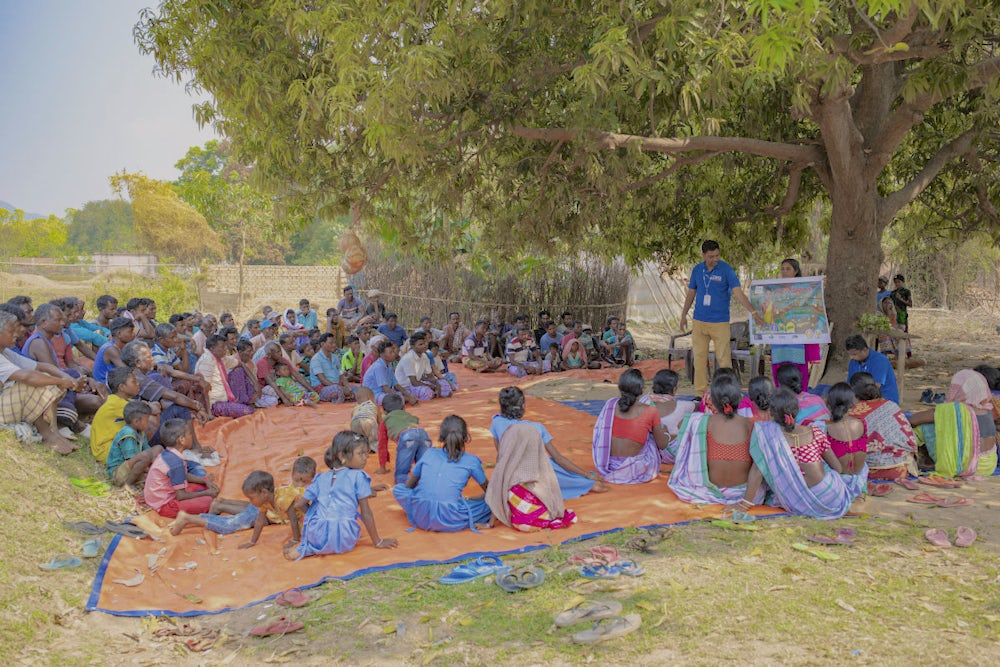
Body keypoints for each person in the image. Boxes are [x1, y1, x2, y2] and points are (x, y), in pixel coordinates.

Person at [736, 387, 853, 519]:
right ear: (797, 411)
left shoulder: (767, 435)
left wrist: (745, 503)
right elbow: (837, 468)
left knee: (770, 494)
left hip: (796, 502)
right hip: (830, 498)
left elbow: (757, 472)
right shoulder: (816, 432)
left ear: (772, 414)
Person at [285, 431, 397, 559]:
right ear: (342, 456)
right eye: (360, 453)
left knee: (319, 506)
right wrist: (378, 541)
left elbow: (299, 504)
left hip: (316, 533)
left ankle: (310, 548)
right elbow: (366, 513)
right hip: (343, 537)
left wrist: (317, 515)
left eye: (366, 453)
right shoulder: (359, 476)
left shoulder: (321, 477)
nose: (365, 457)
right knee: (345, 526)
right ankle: (317, 547)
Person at [491, 386, 606, 499]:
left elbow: (501, 456)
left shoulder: (496, 422)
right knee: (592, 484)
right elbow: (558, 458)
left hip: (512, 472)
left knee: (576, 477)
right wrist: (587, 475)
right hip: (539, 472)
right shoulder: (536, 428)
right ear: (523, 406)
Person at [669, 374, 763, 505]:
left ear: (712, 400)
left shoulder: (699, 421)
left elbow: (680, 426)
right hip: (744, 493)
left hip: (708, 492)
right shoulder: (754, 425)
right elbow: (759, 468)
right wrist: (746, 502)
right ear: (740, 398)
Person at [679, 240, 759, 394]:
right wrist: (683, 315)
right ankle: (700, 393)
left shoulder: (726, 270)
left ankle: (726, 392)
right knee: (700, 359)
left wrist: (753, 312)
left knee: (723, 359)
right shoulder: (697, 270)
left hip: (720, 322)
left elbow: (738, 292)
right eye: (711, 256)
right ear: (703, 255)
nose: (715, 259)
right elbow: (691, 293)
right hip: (699, 321)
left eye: (717, 255)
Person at [0, 310, 81, 454]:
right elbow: (26, 377)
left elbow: (40, 366)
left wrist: (64, 378)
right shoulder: (36, 342)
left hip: (7, 405)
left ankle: (53, 432)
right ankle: (48, 435)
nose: (17, 335)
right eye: (12, 331)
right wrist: (61, 382)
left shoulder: (6, 352)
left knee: (46, 379)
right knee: (30, 384)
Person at [393, 415, 492, 532]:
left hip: (421, 514)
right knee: (494, 500)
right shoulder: (472, 461)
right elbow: (490, 492)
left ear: (441, 436)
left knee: (398, 489)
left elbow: (409, 486)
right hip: (450, 518)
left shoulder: (429, 453)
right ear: (465, 437)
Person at [486, 423, 577, 531]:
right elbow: (553, 496)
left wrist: (490, 524)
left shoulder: (506, 469)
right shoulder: (542, 468)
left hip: (520, 524)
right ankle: (543, 521)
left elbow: (496, 497)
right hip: (543, 519)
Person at [909, 369, 997, 477]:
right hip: (987, 467)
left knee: (924, 427)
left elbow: (913, 420)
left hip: (963, 466)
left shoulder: (954, 410)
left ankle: (912, 459)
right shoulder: (988, 409)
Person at [168, 471, 283, 550]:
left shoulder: (273, 498)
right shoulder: (274, 499)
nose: (251, 500)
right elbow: (259, 521)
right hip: (261, 513)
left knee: (250, 506)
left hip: (263, 511)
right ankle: (188, 518)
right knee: (227, 525)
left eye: (251, 497)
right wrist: (252, 541)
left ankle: (217, 505)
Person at [592, 368, 670, 484]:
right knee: (652, 439)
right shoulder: (651, 410)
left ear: (620, 388)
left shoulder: (610, 404)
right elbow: (662, 445)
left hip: (610, 464)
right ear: (642, 390)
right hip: (637, 469)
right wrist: (664, 432)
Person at [143, 418, 219, 519]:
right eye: (190, 435)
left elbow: (183, 475)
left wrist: (204, 481)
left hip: (161, 497)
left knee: (202, 486)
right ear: (181, 440)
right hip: (164, 506)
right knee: (208, 501)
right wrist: (206, 493)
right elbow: (181, 496)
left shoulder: (169, 453)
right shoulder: (176, 463)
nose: (192, 437)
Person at [848, 372, 917, 481]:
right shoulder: (891, 404)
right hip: (906, 464)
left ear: (852, 391)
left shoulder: (853, 412)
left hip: (878, 468)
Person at [769, 258, 822, 391]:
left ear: (796, 271)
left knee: (798, 367)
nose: (784, 272)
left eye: (788, 269)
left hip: (798, 338)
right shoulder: (775, 290)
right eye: (782, 269)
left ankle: (800, 395)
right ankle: (781, 394)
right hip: (779, 337)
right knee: (779, 366)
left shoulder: (805, 290)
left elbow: (811, 311)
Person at [90, 367, 142, 465]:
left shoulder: (126, 401)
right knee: (145, 421)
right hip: (105, 451)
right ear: (121, 387)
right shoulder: (115, 404)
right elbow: (145, 412)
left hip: (113, 445)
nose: (138, 384)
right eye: (134, 381)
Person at [195, 334, 255, 418]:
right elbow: (203, 388)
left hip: (225, 396)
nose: (225, 349)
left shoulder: (221, 358)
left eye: (225, 346)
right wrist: (208, 412)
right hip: (215, 403)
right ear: (212, 348)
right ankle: (237, 407)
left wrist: (256, 384)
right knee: (247, 411)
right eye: (222, 347)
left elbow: (240, 363)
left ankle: (243, 402)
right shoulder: (207, 361)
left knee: (239, 370)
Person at [377, 393, 431, 483]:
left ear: (384, 411)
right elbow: (415, 438)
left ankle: (408, 485)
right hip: (423, 434)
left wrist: (382, 466)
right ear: (403, 407)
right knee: (424, 468)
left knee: (400, 476)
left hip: (407, 437)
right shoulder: (407, 415)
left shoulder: (385, 420)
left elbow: (382, 445)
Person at [105, 400, 160, 487]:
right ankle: (128, 485)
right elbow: (132, 459)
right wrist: (146, 468)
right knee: (145, 456)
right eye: (147, 420)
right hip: (118, 472)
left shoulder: (140, 432)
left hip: (131, 467)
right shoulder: (128, 434)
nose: (149, 423)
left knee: (158, 448)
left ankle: (151, 473)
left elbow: (148, 449)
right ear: (136, 422)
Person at [639, 369, 697, 442]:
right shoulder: (684, 406)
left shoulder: (644, 400)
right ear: (675, 389)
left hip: (648, 446)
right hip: (671, 449)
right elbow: (700, 406)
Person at [825, 382, 868, 476]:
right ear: (852, 403)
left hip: (838, 481)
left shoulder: (824, 428)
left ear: (829, 404)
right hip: (859, 480)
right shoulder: (861, 423)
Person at [845, 334, 899, 404]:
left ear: (864, 350)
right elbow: (850, 384)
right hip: (861, 399)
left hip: (884, 401)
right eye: (849, 354)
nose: (851, 357)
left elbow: (874, 389)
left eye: (854, 354)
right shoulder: (853, 362)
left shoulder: (880, 360)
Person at [395, 332, 450, 400]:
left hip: (417, 384)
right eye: (421, 344)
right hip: (406, 386)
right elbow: (414, 382)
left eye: (425, 343)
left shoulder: (424, 356)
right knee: (427, 391)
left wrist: (437, 384)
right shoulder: (408, 358)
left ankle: (434, 393)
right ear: (412, 346)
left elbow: (430, 376)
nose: (424, 346)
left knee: (444, 384)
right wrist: (431, 386)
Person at [363, 340, 417, 405]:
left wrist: (408, 395)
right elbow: (385, 388)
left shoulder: (389, 364)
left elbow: (396, 384)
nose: (394, 354)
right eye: (390, 352)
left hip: (384, 392)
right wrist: (407, 398)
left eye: (393, 351)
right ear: (382, 355)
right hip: (373, 395)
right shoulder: (378, 366)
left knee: (407, 393)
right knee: (397, 399)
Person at [309, 333, 353, 403]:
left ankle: (344, 396)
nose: (334, 345)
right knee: (337, 390)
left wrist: (348, 387)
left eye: (335, 343)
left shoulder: (335, 357)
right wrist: (342, 388)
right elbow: (323, 380)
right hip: (323, 389)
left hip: (337, 385)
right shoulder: (316, 359)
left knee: (358, 389)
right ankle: (342, 398)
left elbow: (341, 375)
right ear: (322, 344)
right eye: (331, 343)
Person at [92, 317, 136, 385]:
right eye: (130, 331)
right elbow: (127, 372)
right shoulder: (110, 349)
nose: (133, 334)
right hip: (106, 387)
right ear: (119, 334)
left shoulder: (120, 347)